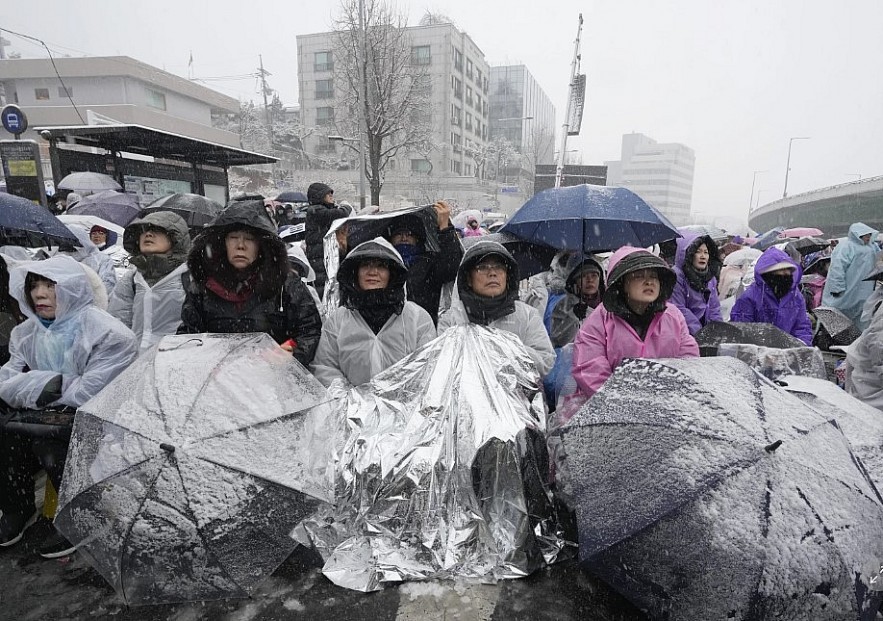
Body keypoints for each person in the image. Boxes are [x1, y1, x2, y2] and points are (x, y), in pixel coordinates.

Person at [0, 255, 137, 557]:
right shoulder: (25, 334)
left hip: (100, 420)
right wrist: (51, 384)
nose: (39, 294)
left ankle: (85, 517)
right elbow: (5, 384)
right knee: (7, 436)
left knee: (48, 444)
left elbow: (89, 393)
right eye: (34, 285)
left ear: (72, 288)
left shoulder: (108, 333)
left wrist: (38, 387)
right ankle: (17, 509)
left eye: (50, 285)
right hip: (43, 416)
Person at [178, 198, 322, 367]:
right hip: (218, 382)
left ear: (262, 245)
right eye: (233, 237)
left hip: (274, 379)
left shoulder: (286, 284)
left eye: (249, 239)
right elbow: (188, 337)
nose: (240, 245)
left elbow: (309, 330)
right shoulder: (203, 287)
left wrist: (289, 351)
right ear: (222, 243)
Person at [571, 246, 699, 400]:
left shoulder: (673, 316)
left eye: (653, 276)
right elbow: (590, 371)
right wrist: (624, 403)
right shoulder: (599, 321)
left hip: (664, 405)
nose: (649, 282)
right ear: (622, 283)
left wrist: (665, 397)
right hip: (610, 409)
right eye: (639, 275)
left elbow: (688, 362)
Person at [312, 238, 436, 388]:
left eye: (381, 266)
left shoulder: (417, 318)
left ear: (392, 274)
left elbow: (428, 367)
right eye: (365, 265)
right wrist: (352, 400)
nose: (373, 272)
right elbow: (325, 367)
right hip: (352, 409)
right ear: (355, 273)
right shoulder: (338, 321)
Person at [439, 240, 555, 377]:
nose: (492, 273)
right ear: (469, 279)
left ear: (507, 276)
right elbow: (442, 365)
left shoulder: (527, 316)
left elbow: (545, 362)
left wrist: (506, 347)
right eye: (482, 267)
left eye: (499, 267)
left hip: (515, 397)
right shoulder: (452, 320)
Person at [108, 211, 192, 352]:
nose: (148, 234)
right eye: (143, 230)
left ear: (175, 237)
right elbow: (117, 328)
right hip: (136, 365)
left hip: (175, 362)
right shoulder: (131, 280)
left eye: (157, 230)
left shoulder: (188, 277)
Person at [386, 201, 464, 324]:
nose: (404, 238)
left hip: (424, 329)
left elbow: (450, 267)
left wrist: (445, 228)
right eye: (399, 234)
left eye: (409, 234)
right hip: (391, 332)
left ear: (418, 238)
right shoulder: (383, 263)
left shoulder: (429, 263)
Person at [730, 246, 813, 345]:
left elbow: (802, 327)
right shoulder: (750, 297)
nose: (786, 273)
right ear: (769, 272)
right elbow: (741, 330)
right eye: (781, 270)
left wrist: (800, 345)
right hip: (757, 353)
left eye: (788, 270)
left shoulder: (796, 297)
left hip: (789, 354)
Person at [822, 222, 879, 330]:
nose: (868, 237)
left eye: (869, 235)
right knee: (840, 322)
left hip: (864, 294)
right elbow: (837, 269)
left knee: (863, 322)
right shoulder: (845, 247)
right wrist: (837, 287)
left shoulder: (873, 247)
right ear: (858, 235)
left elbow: (879, 263)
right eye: (866, 235)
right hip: (846, 292)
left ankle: (858, 344)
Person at [547, 254, 606, 348]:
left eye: (594, 275)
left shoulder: (609, 305)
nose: (590, 280)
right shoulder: (563, 305)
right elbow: (558, 340)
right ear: (575, 281)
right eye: (583, 276)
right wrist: (573, 317)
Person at [670, 233, 723, 335]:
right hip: (683, 333)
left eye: (706, 252)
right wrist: (699, 333)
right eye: (698, 252)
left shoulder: (710, 278)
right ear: (689, 254)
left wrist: (717, 332)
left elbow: (714, 308)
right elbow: (679, 309)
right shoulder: (676, 276)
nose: (703, 256)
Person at [304, 182, 351, 298]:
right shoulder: (316, 211)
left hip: (323, 256)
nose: (331, 197)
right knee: (324, 288)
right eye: (328, 195)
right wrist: (346, 206)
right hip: (319, 257)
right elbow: (341, 213)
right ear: (320, 196)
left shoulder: (321, 211)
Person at [64, 224, 117, 295]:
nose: (97, 236)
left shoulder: (106, 257)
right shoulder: (65, 257)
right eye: (94, 233)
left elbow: (108, 285)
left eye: (101, 233)